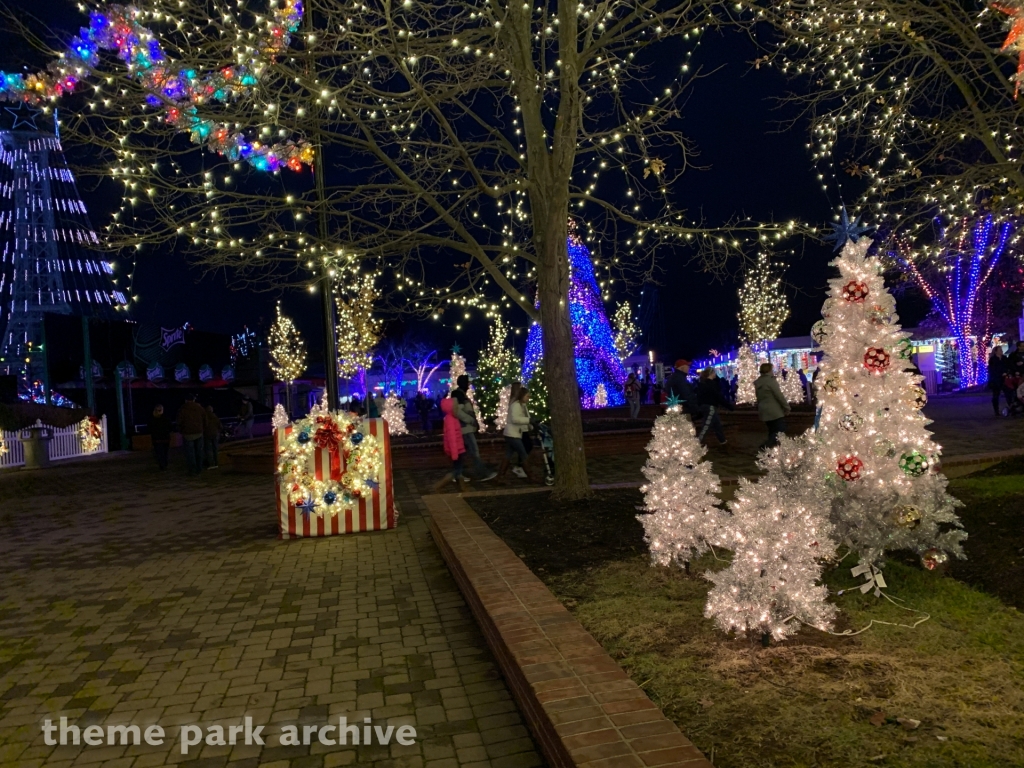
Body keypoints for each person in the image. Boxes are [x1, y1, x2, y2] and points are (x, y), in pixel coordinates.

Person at [453, 374, 496, 481]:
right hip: (465, 429)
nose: (469, 385)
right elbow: (457, 412)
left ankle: (457, 474)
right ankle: (483, 473)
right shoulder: (458, 395)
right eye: (468, 382)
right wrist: (471, 420)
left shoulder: (461, 394)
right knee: (474, 451)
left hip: (466, 428)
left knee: (463, 453)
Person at [498, 386, 539, 483]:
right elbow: (515, 419)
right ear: (522, 396)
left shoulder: (522, 406)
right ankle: (531, 476)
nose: (528, 399)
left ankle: (500, 477)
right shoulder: (516, 405)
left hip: (512, 433)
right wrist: (529, 421)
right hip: (513, 434)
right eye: (527, 396)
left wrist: (531, 426)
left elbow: (523, 420)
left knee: (508, 455)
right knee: (523, 454)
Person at [433, 396, 469, 492]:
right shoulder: (450, 419)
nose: (457, 408)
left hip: (458, 449)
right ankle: (438, 485)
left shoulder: (452, 418)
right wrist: (454, 453)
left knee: (459, 470)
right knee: (456, 471)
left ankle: (462, 488)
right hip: (457, 450)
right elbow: (451, 438)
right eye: (456, 407)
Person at [755, 362, 790, 449]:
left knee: (772, 431)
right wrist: (786, 407)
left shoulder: (758, 382)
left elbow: (758, 397)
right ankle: (765, 447)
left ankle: (770, 450)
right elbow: (779, 395)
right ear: (768, 370)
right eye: (772, 369)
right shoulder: (770, 381)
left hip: (764, 410)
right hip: (774, 410)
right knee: (780, 430)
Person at [695, 367, 729, 445]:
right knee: (706, 426)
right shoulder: (711, 384)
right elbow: (718, 396)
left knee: (717, 424)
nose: (715, 374)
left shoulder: (702, 383)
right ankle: (697, 442)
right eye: (714, 373)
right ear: (711, 374)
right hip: (710, 407)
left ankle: (722, 440)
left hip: (707, 406)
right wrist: (728, 406)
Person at [176, 394, 206, 475]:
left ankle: (192, 470)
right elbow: (205, 419)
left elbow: (179, 422)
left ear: (186, 400)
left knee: (190, 453)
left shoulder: (183, 409)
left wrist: (181, 430)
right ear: (194, 399)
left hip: (188, 434)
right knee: (199, 451)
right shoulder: (200, 408)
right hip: (199, 432)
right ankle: (199, 468)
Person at [149, 404, 172, 470]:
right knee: (165, 452)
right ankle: (165, 464)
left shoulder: (152, 419)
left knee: (159, 453)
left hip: (156, 439)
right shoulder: (166, 418)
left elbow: (150, 429)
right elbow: (170, 427)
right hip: (166, 438)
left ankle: (162, 465)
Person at [989, 346, 1010, 416]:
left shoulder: (1004, 358)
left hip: (1005, 379)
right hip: (996, 380)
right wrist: (1000, 373)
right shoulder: (992, 359)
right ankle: (996, 410)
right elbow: (993, 369)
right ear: (996, 351)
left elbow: (1008, 366)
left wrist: (1006, 372)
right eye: (1000, 350)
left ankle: (1011, 408)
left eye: (1001, 350)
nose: (1001, 351)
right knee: (996, 395)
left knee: (1008, 394)